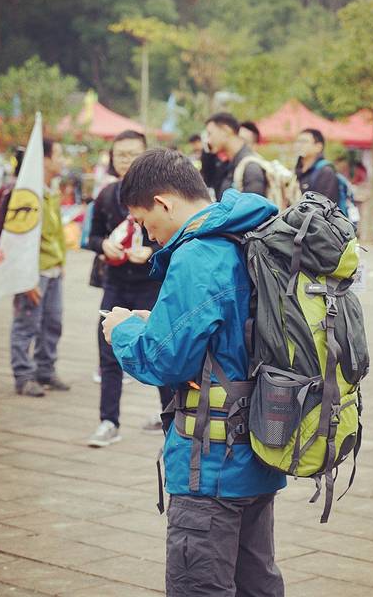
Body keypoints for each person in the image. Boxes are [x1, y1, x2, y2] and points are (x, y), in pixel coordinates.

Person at [102, 148, 286, 596]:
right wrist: (159, 324)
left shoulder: (199, 255)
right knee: (256, 584)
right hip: (262, 448)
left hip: (212, 466)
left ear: (163, 203)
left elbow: (164, 360)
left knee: (200, 586)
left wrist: (122, 331)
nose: (149, 234)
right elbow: (229, 332)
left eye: (144, 221)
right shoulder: (250, 231)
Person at [86, 131, 172, 446]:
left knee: (162, 349)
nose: (126, 160)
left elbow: (176, 238)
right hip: (116, 282)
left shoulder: (161, 196)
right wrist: (103, 245)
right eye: (120, 154)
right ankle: (108, 421)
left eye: (133, 153)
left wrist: (151, 251)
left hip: (151, 283)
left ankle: (171, 419)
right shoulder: (107, 195)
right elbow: (91, 236)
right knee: (108, 352)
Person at [10, 139, 70, 397]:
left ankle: (45, 370)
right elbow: (19, 238)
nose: (62, 160)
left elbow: (56, 233)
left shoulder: (50, 192)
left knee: (52, 322)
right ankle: (23, 375)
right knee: (27, 324)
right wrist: (25, 277)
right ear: (44, 159)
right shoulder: (28, 195)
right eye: (58, 154)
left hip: (53, 269)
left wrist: (61, 262)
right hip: (33, 272)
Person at [205, 112, 266, 200]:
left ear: (226, 130)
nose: (209, 141)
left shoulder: (250, 167)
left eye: (210, 134)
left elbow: (254, 207)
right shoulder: (228, 165)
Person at [294, 128, 340, 203]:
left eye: (304, 142)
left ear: (318, 147)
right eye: (298, 141)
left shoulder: (326, 172)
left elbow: (323, 205)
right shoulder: (296, 171)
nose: (299, 145)